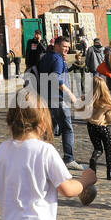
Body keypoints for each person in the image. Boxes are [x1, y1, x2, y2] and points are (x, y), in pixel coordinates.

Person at [0, 93, 97, 220]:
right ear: (42, 122)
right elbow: (67, 189)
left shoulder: (3, 148)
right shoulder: (45, 151)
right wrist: (85, 181)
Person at [34, 35, 82, 169]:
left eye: (68, 47)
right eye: (63, 46)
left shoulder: (46, 56)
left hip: (45, 97)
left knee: (48, 129)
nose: (66, 49)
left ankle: (42, 157)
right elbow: (56, 78)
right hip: (58, 98)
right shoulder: (57, 59)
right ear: (56, 45)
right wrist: (71, 94)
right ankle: (69, 159)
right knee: (67, 129)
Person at [86, 74, 111, 179]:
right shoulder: (105, 104)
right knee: (108, 150)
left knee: (98, 149)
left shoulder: (87, 101)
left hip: (91, 126)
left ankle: (93, 161)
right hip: (102, 128)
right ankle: (110, 173)